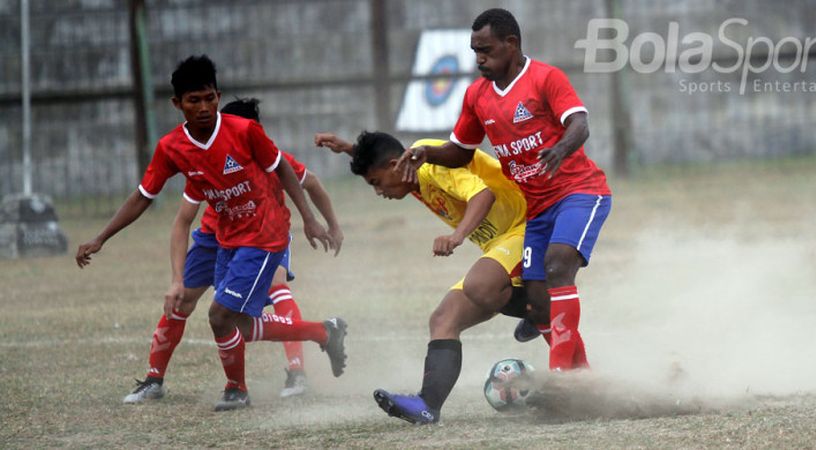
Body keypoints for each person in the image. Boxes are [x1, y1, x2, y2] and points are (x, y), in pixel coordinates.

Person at [76, 55, 348, 411]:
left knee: (222, 313)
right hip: (225, 239)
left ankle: (239, 389)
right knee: (238, 324)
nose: (204, 107)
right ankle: (323, 332)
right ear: (177, 104)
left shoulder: (246, 132)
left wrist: (311, 220)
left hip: (266, 234)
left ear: (218, 96)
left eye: (209, 98)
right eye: (194, 100)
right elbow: (145, 198)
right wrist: (101, 237)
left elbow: (289, 172)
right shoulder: (173, 148)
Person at [396, 9, 612, 373]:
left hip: (580, 192)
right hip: (538, 210)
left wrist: (560, 149)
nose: (479, 58)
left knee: (557, 265)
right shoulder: (477, 96)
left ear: (511, 44)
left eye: (486, 50)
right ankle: (582, 377)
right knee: (538, 302)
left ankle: (560, 377)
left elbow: (580, 123)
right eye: (474, 50)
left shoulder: (545, 78)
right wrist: (427, 152)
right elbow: (461, 152)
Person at [123, 97, 341, 404]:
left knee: (271, 290)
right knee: (192, 304)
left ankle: (294, 371)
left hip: (263, 237)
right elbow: (183, 219)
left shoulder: (273, 157)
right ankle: (154, 379)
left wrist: (327, 223)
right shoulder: (207, 158)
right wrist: (175, 276)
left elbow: (312, 182)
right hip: (215, 239)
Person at [315, 131, 536, 424]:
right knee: (443, 319)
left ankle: (540, 309)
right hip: (501, 243)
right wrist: (351, 150)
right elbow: (387, 156)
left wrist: (456, 237)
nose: (378, 192)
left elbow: (484, 195)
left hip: (529, 226)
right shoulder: (408, 170)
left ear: (396, 165)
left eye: (376, 183)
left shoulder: (429, 164)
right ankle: (427, 406)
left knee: (479, 285)